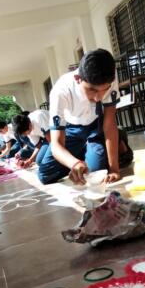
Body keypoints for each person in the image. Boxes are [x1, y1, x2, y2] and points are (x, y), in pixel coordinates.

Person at [38, 48, 133, 185]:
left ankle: (119, 138)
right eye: (92, 90)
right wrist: (74, 163)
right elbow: (56, 144)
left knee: (96, 171)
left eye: (104, 90)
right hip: (72, 130)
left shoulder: (110, 78)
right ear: (77, 78)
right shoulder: (60, 92)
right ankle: (84, 152)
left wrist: (114, 169)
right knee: (45, 175)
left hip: (97, 125)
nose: (97, 97)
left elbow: (109, 123)